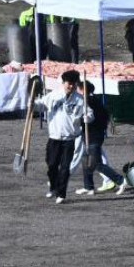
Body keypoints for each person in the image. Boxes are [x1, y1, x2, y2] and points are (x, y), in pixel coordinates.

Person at [33, 71, 93, 204]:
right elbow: (41, 105)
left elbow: (89, 113)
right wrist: (32, 104)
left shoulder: (79, 99)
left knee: (65, 167)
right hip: (54, 137)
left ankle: (61, 193)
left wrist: (87, 117)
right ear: (63, 82)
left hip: (69, 139)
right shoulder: (54, 95)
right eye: (68, 83)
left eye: (73, 84)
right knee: (52, 165)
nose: (70, 86)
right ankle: (53, 187)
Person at [77, 81, 125, 196]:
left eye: (78, 89)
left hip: (93, 136)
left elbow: (92, 118)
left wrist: (86, 120)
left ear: (82, 90)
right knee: (85, 160)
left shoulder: (88, 101)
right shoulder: (94, 100)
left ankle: (121, 180)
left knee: (97, 163)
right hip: (92, 135)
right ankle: (89, 187)